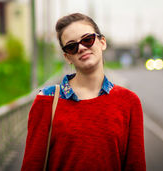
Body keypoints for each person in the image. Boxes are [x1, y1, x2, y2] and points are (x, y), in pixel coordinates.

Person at [21, 13, 146, 171]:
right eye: (72, 46)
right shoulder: (47, 100)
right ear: (67, 57)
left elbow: (136, 166)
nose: (81, 47)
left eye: (87, 39)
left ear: (102, 42)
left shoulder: (129, 102)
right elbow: (32, 166)